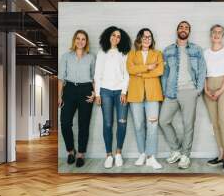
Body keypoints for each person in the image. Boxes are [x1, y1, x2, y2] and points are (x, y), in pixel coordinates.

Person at [159, 21, 207, 169]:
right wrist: (164, 91)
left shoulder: (196, 50)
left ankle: (186, 155)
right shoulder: (167, 51)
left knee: (188, 125)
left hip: (189, 92)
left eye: (186, 28)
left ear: (189, 32)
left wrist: (198, 90)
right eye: (181, 27)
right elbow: (164, 73)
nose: (183, 29)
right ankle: (176, 150)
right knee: (163, 121)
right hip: (171, 92)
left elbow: (202, 70)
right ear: (177, 30)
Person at [127, 28, 164, 169]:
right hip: (135, 95)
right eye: (144, 37)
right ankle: (142, 153)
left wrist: (141, 72)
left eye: (149, 37)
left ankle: (151, 156)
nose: (147, 39)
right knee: (138, 126)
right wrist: (148, 67)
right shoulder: (132, 54)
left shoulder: (157, 54)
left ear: (152, 39)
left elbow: (159, 71)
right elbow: (130, 69)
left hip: (153, 95)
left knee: (152, 126)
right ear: (139, 39)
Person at [94, 26, 131, 169]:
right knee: (108, 124)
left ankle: (118, 153)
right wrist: (97, 94)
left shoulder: (124, 53)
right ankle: (108, 155)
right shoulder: (102, 53)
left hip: (120, 91)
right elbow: (97, 74)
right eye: (113, 35)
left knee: (122, 123)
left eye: (118, 36)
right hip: (105, 92)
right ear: (108, 36)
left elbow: (127, 74)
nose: (116, 38)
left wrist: (124, 91)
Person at [58, 29, 96, 168]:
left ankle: (80, 154)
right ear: (74, 40)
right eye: (78, 38)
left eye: (83, 39)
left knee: (83, 124)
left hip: (86, 89)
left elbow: (94, 77)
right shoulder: (66, 57)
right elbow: (61, 78)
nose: (80, 41)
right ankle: (70, 151)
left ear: (86, 42)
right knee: (65, 123)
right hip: (69, 90)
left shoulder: (91, 57)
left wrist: (95, 93)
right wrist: (59, 95)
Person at [203, 24, 224, 171]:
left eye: (219, 32)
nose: (216, 35)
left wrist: (220, 91)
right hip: (209, 85)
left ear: (222, 35)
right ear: (211, 35)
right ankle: (221, 154)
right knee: (215, 122)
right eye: (214, 32)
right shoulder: (205, 53)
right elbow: (202, 73)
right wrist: (206, 89)